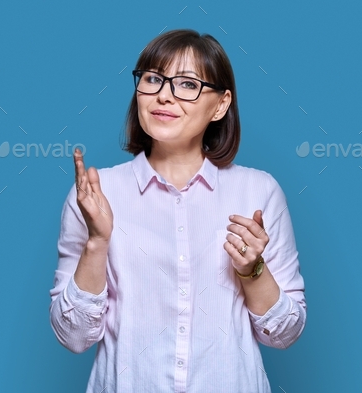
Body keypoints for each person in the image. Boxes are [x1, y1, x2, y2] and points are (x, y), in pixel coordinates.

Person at [49, 29, 306, 393]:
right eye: (153, 79)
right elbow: (73, 337)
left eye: (187, 84)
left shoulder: (259, 191)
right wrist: (97, 242)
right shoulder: (97, 195)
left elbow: (285, 334)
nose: (164, 95)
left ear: (220, 104)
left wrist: (253, 271)